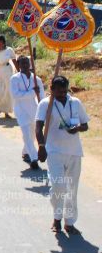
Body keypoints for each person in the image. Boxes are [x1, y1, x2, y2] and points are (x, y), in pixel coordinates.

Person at [36, 76, 91, 235]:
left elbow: (85, 125)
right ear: (52, 89)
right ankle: (57, 218)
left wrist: (77, 129)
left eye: (64, 90)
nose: (62, 93)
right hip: (54, 151)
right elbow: (39, 126)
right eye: (58, 91)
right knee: (58, 186)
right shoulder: (45, 104)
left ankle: (70, 222)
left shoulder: (75, 103)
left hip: (74, 152)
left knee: (72, 189)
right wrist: (41, 146)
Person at [10, 56, 44, 170]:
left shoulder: (36, 79)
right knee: (26, 134)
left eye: (27, 63)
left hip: (34, 110)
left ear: (30, 64)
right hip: (21, 110)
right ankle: (34, 158)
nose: (25, 65)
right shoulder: (15, 78)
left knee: (33, 134)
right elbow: (15, 95)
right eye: (22, 63)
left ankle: (25, 151)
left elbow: (42, 97)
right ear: (19, 65)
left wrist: (43, 108)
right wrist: (31, 92)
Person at [0, 35, 17, 118]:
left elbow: (14, 60)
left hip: (7, 71)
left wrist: (19, 71)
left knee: (7, 91)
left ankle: (6, 112)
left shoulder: (9, 50)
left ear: (2, 42)